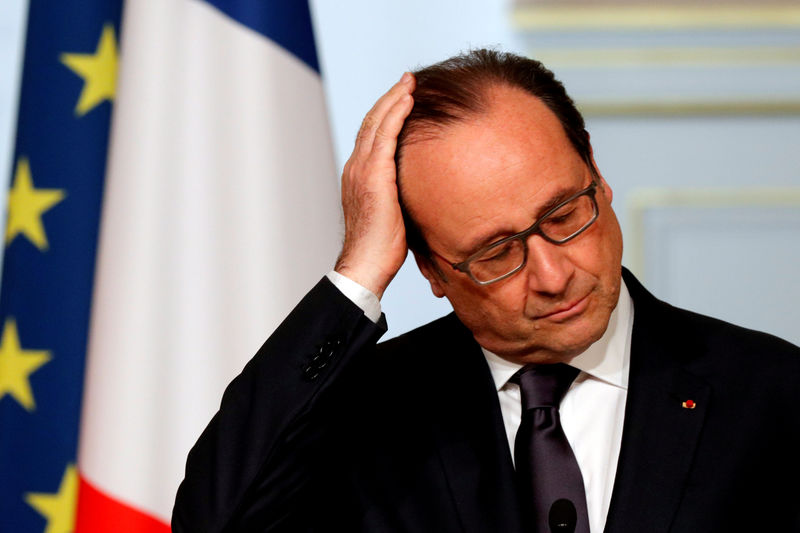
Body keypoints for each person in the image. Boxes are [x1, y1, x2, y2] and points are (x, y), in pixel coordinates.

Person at [172, 50, 800, 532]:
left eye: (563, 216)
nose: (554, 276)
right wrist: (358, 270)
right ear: (431, 269)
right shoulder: (366, 411)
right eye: (497, 253)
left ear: (599, 177)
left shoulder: (771, 392)